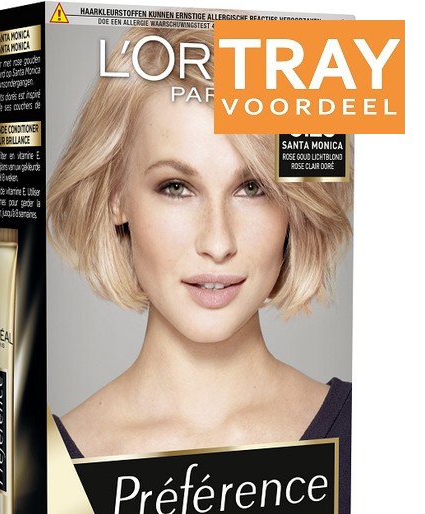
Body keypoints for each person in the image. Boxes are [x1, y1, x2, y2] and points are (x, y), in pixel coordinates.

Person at [47, 27, 352, 459]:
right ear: (117, 198)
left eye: (252, 187)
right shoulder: (44, 468)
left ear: (294, 201)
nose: (218, 242)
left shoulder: (377, 434)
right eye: (176, 187)